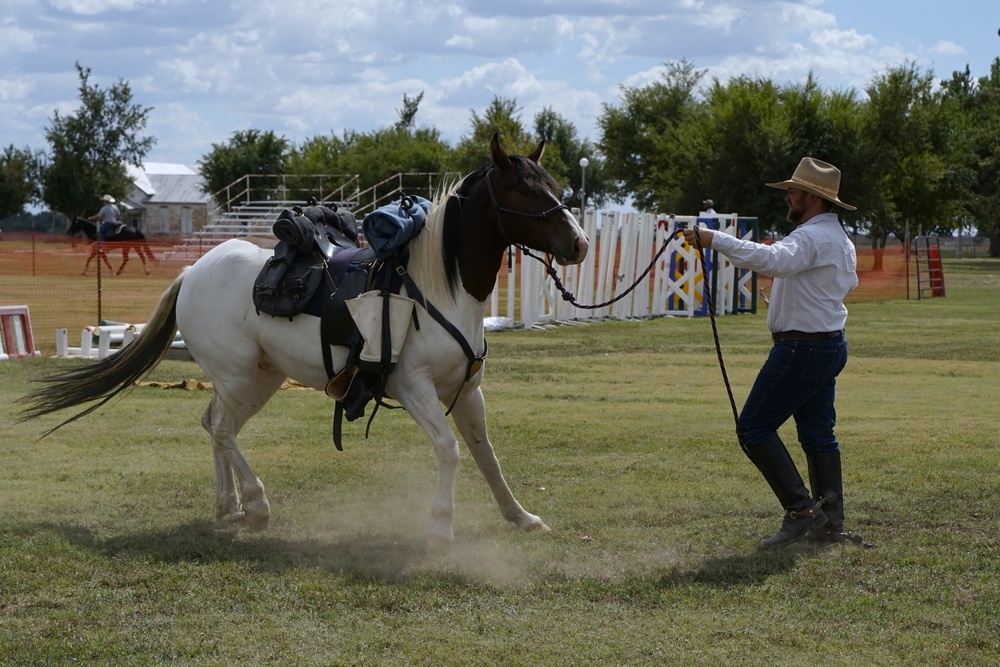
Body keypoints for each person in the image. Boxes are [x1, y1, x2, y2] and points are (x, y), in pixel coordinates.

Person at [683, 157, 859, 548]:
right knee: (818, 435)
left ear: (812, 198)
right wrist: (790, 301)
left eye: (793, 191)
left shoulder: (811, 237)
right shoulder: (839, 239)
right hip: (828, 345)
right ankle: (829, 522)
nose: (789, 197)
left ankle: (802, 512)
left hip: (802, 349)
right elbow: (843, 283)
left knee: (754, 428)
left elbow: (774, 261)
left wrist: (715, 240)